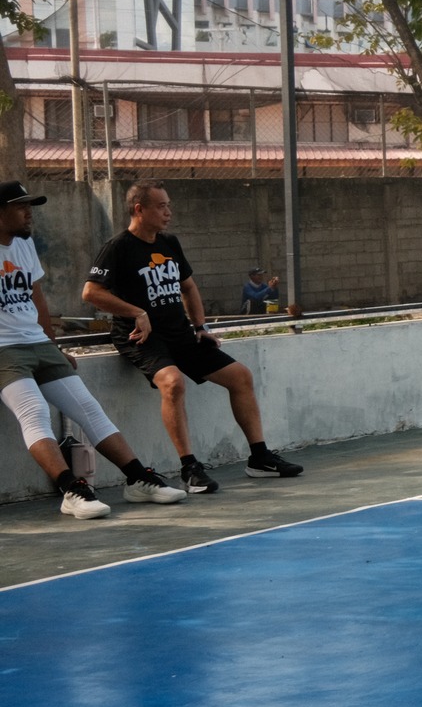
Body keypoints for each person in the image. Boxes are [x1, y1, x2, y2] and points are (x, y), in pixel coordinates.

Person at [82, 180, 304, 494]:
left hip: (181, 334)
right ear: (138, 209)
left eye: (168, 205)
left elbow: (188, 287)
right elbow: (91, 292)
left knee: (240, 376)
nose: (168, 212)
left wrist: (201, 327)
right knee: (173, 382)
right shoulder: (118, 247)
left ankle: (260, 458)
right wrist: (137, 312)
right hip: (142, 338)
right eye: (161, 206)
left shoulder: (169, 243)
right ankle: (190, 468)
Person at [1, 180, 186, 518]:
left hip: (39, 344)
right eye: (21, 207)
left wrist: (53, 346)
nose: (29, 214)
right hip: (4, 352)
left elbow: (37, 297)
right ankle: (71, 489)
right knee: (35, 413)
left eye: (30, 206)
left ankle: (137, 479)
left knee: (88, 408)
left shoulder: (23, 246)